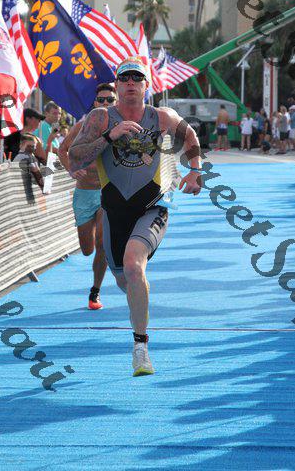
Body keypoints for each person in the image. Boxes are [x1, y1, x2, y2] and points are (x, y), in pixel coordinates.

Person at [68, 57, 201, 376]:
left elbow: (191, 138)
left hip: (152, 205)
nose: (130, 83)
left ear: (146, 86)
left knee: (133, 265)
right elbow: (75, 157)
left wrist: (196, 172)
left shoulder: (162, 117)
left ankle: (141, 349)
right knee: (124, 278)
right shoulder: (101, 118)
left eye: (136, 78)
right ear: (116, 85)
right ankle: (140, 299)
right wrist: (110, 136)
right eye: (124, 78)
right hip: (114, 210)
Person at [59, 83, 117, 310]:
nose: (105, 103)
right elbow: (62, 149)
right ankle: (90, 248)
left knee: (103, 243)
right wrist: (71, 170)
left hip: (107, 192)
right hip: (84, 192)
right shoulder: (83, 126)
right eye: (101, 100)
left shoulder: (120, 127)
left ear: (116, 102)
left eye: (110, 100)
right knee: (87, 249)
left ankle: (95, 291)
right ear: (94, 103)